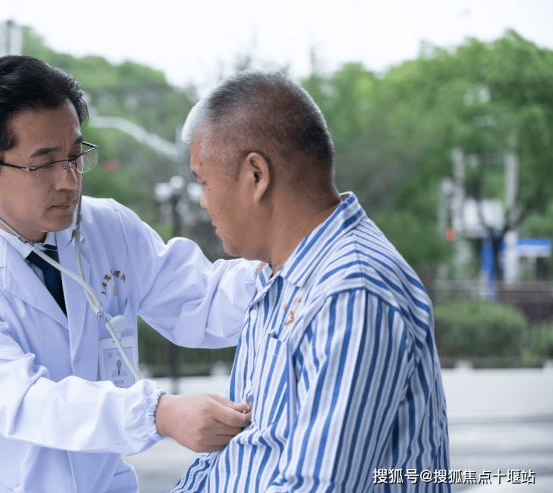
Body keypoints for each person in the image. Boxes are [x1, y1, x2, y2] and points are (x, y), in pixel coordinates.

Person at [0, 56, 254, 493]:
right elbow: (23, 401)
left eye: (75, 156)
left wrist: (290, 262)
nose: (69, 180)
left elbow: (202, 299)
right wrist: (158, 414)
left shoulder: (108, 227)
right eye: (44, 164)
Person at [173, 71, 450, 492]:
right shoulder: (277, 281)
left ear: (255, 176)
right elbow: (237, 460)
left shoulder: (352, 292)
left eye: (204, 181)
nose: (202, 200)